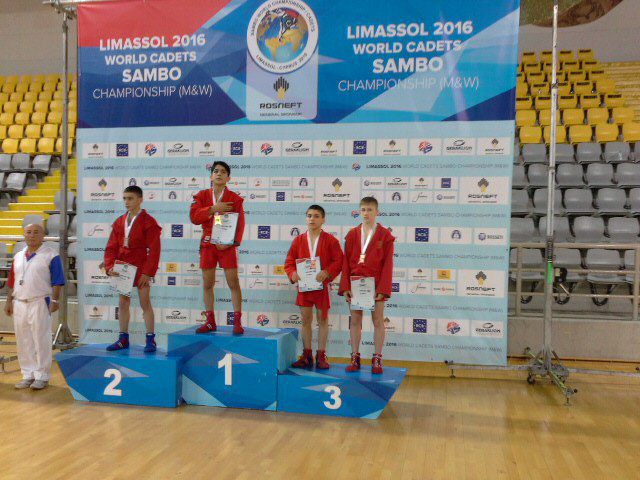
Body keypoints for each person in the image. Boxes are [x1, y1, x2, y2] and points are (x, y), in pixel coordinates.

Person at [4, 223, 65, 390]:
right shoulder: (18, 256)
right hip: (19, 302)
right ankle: (27, 374)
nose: (32, 235)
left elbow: (58, 280)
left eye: (36, 232)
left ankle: (42, 376)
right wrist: (9, 301)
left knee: (41, 340)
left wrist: (55, 300)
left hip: (40, 301)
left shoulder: (51, 255)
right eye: (28, 232)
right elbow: (12, 281)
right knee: (23, 341)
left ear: (43, 235)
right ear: (24, 235)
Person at [339, 197, 394, 374]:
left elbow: (388, 265)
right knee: (355, 321)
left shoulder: (385, 235)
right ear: (359, 211)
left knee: (378, 321)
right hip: (355, 283)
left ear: (377, 212)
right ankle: (355, 356)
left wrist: (383, 289)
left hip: (376, 284)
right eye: (363, 210)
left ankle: (377, 358)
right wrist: (345, 286)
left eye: (370, 210)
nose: (366, 213)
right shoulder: (352, 234)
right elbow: (346, 262)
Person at [284, 205, 343, 369]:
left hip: (321, 287)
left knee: (322, 320)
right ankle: (307, 355)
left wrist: (327, 271)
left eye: (316, 216)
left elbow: (339, 260)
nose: (312, 219)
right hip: (304, 287)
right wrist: (292, 273)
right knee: (305, 320)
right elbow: (289, 262)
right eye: (309, 215)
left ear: (323, 219)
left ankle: (321, 355)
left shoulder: (331, 240)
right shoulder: (298, 240)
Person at [103, 186, 162, 352]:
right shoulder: (119, 221)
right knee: (123, 303)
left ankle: (150, 339)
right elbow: (111, 247)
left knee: (145, 302)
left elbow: (155, 249)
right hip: (123, 267)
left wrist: (147, 272)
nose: (126, 202)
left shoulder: (148, 221)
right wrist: (109, 266)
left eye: (130, 198)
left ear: (140, 200)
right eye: (124, 198)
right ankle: (123, 339)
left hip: (141, 266)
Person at [189, 161, 245, 334]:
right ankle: (210, 321)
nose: (219, 174)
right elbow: (194, 217)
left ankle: (237, 322)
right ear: (211, 176)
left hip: (227, 244)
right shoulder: (201, 195)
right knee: (208, 284)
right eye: (216, 171)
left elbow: (240, 224)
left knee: (233, 282)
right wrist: (213, 208)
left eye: (223, 172)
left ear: (228, 178)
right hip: (208, 244)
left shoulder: (235, 198)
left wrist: (232, 242)